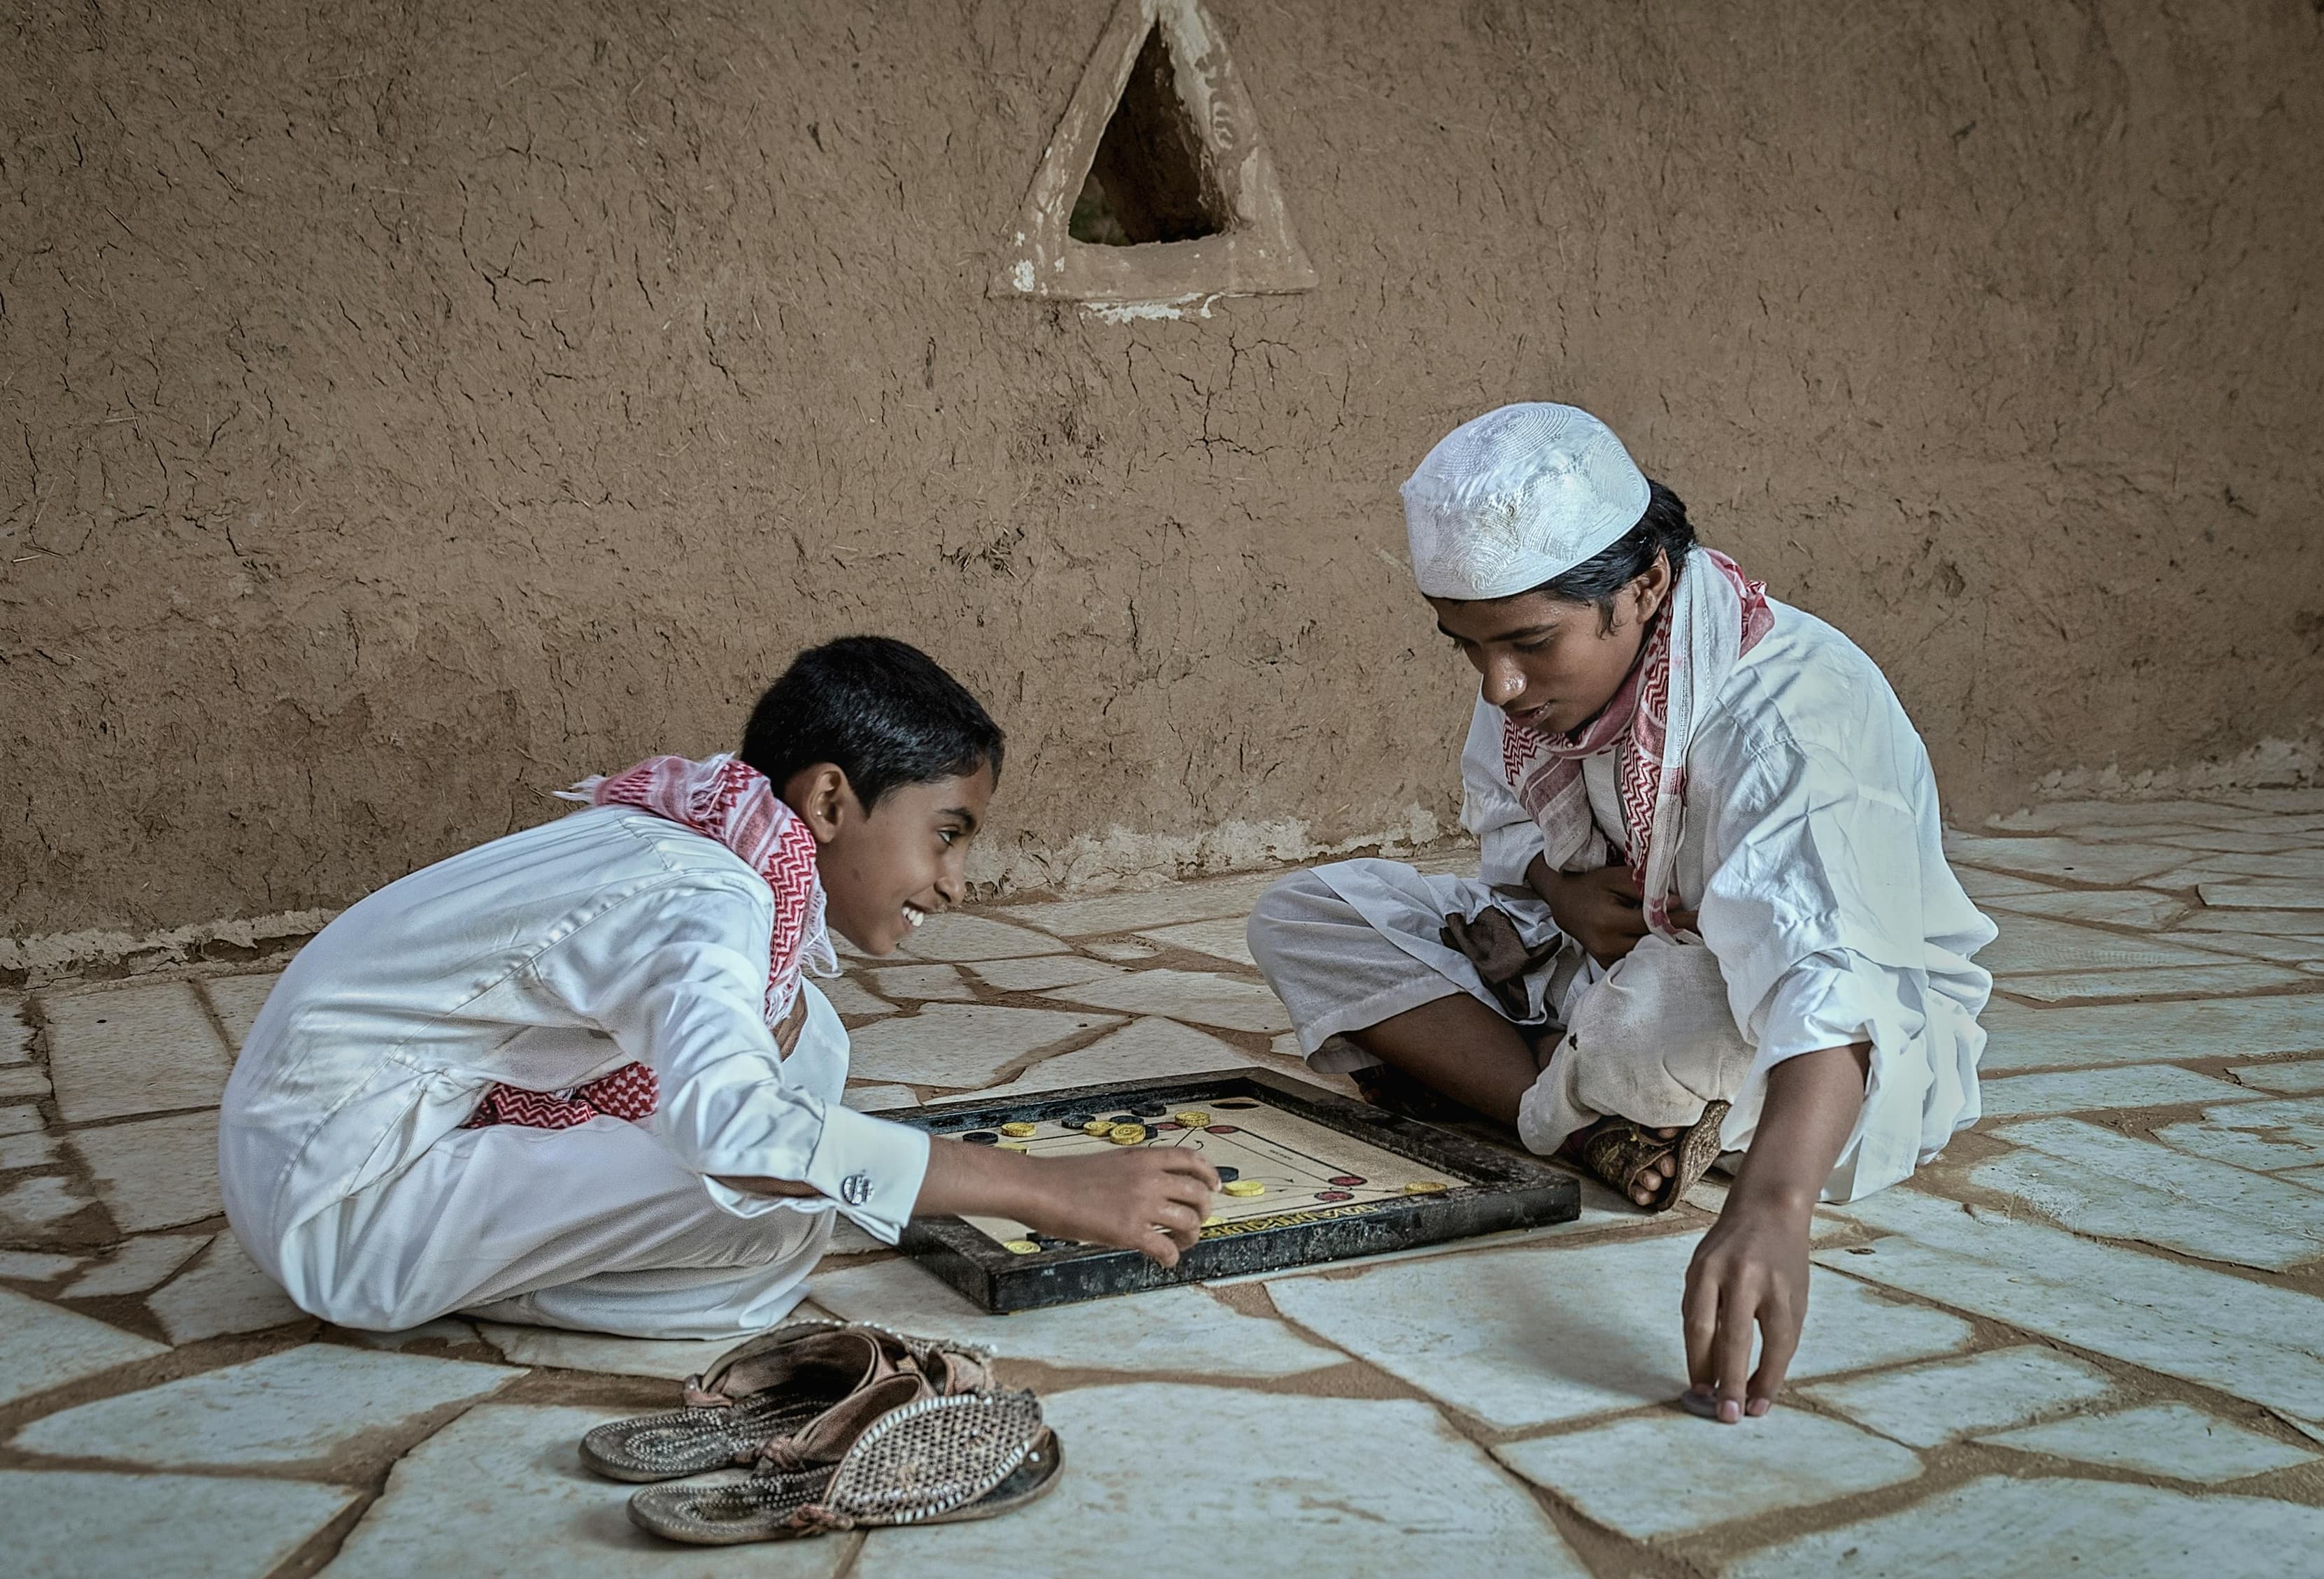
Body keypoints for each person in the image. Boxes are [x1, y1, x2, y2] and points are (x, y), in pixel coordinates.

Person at [1247, 403, 1992, 1425]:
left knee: (1666, 1001)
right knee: (1307, 913)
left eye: (1526, 644)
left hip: (1776, 1033)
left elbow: (1832, 985)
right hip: (1587, 976)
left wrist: (1774, 1207)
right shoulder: (1535, 674)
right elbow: (1510, 838)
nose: (1499, 682)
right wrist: (1559, 894)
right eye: (1467, 647)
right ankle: (1581, 1119)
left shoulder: (1784, 719)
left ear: (1645, 585)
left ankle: (1549, 1098)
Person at [220, 636, 1218, 1339]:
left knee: (804, 1036)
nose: (954, 880)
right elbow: (739, 1140)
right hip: (338, 1206)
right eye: (946, 833)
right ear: (831, 798)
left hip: (333, 1139)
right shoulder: (702, 898)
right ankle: (444, 1293)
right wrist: (1045, 1186)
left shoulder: (706, 850)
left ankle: (500, 1252)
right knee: (774, 1209)